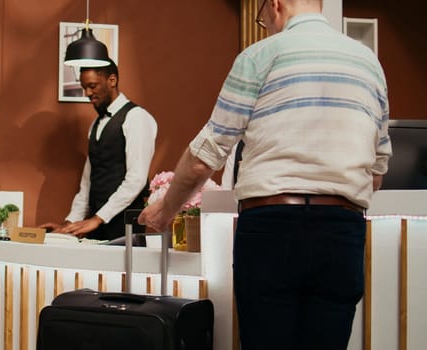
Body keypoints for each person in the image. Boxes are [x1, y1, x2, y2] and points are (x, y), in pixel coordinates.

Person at [140, 0, 391, 349]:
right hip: (342, 229)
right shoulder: (368, 63)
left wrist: (166, 210)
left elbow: (207, 155)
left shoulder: (260, 55)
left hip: (272, 227)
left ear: (274, 5)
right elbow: (378, 169)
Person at [40, 58, 157, 242]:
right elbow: (87, 184)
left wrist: (97, 219)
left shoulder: (137, 118)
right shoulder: (95, 124)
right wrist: (70, 224)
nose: (87, 93)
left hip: (123, 225)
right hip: (96, 224)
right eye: (84, 87)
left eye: (92, 86)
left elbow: (137, 179)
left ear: (112, 80)